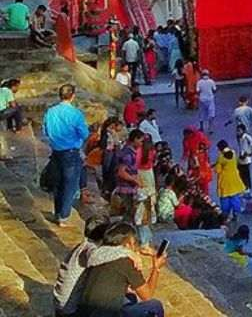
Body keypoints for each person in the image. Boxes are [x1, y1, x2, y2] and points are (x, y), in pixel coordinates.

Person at [75, 221, 167, 317]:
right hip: (106, 313)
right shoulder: (127, 262)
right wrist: (156, 268)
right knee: (155, 305)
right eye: (134, 243)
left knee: (130, 296)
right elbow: (147, 295)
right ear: (128, 244)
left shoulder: (99, 255)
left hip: (85, 311)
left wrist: (140, 250)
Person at [44, 83, 90, 225]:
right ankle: (63, 215)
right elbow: (84, 133)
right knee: (70, 184)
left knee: (58, 183)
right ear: (72, 96)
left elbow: (45, 131)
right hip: (70, 152)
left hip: (56, 151)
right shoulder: (75, 113)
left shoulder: (50, 112)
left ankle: (58, 212)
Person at [53, 216, 110, 316]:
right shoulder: (89, 249)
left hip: (61, 300)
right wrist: (125, 252)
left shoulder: (82, 246)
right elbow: (95, 257)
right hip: (69, 305)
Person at [214, 142, 246, 217]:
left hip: (225, 181)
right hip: (235, 179)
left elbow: (217, 170)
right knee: (235, 197)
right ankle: (236, 213)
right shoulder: (234, 153)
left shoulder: (221, 157)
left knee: (225, 200)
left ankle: (226, 215)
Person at [234, 124, 252, 198]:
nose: (237, 132)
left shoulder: (247, 137)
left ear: (243, 130)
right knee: (240, 174)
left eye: (239, 130)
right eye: (237, 130)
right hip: (240, 159)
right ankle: (243, 188)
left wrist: (250, 153)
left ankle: (247, 188)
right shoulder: (239, 138)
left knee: (246, 175)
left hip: (246, 160)